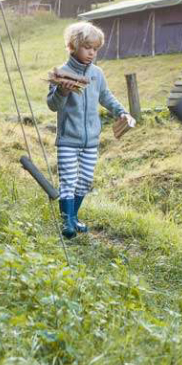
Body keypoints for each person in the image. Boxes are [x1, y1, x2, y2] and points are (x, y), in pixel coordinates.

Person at [47, 22, 130, 239]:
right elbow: (53, 105)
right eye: (87, 47)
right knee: (68, 180)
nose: (91, 53)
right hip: (68, 139)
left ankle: (74, 217)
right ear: (73, 46)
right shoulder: (61, 73)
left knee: (84, 180)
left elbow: (106, 96)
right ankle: (67, 222)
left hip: (91, 141)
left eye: (95, 49)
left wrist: (121, 112)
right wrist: (63, 93)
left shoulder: (97, 74)